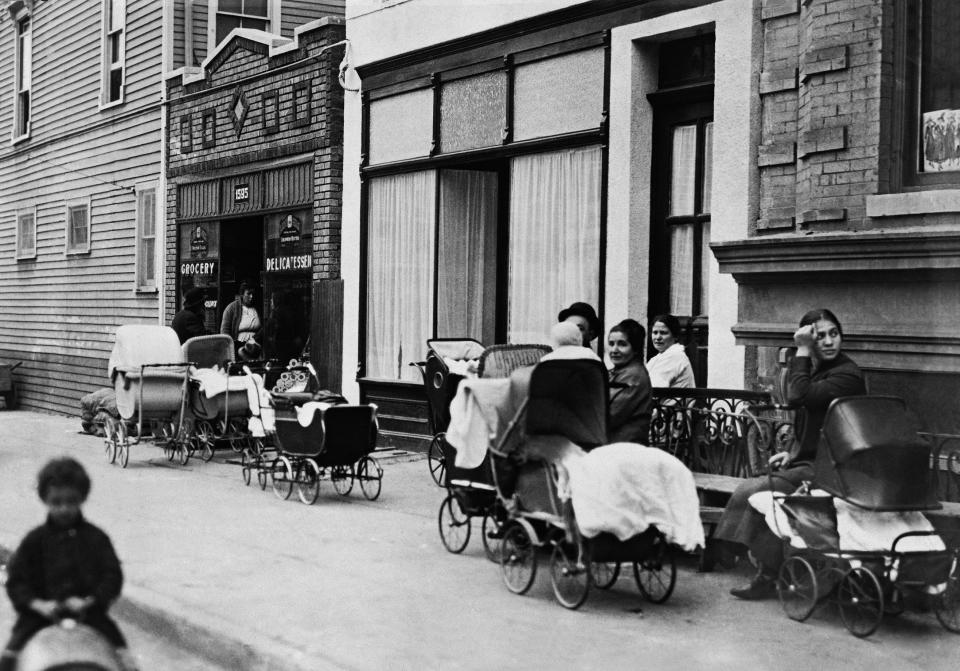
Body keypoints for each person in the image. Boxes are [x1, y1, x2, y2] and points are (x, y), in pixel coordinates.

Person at [714, 308, 866, 599]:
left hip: (834, 469)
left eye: (834, 334)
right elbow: (812, 422)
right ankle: (757, 565)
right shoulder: (821, 371)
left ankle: (741, 558)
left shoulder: (847, 375)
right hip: (813, 461)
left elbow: (798, 397)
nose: (829, 341)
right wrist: (790, 453)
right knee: (757, 487)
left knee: (760, 489)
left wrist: (802, 349)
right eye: (820, 336)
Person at [1, 458, 136, 671]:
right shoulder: (34, 540)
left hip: (89, 614)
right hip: (40, 616)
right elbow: (16, 581)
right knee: (9, 658)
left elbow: (112, 576)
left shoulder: (96, 538)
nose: (64, 509)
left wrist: (90, 601)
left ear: (82, 498)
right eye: (56, 502)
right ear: (45, 499)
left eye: (71, 501)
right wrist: (37, 604)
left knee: (125, 661)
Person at [607, 319, 653, 444]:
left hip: (626, 448)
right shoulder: (615, 372)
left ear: (635, 348)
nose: (614, 350)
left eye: (622, 344)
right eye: (611, 344)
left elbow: (610, 415)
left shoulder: (634, 376)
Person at [646, 314, 696, 388]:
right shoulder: (659, 357)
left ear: (675, 336)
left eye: (663, 333)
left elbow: (653, 389)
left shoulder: (675, 356)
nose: (658, 337)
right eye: (655, 332)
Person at [220, 281, 262, 357]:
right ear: (242, 294)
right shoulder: (232, 308)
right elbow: (224, 331)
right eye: (248, 294)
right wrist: (230, 348)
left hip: (255, 349)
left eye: (253, 294)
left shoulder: (258, 309)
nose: (251, 296)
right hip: (237, 348)